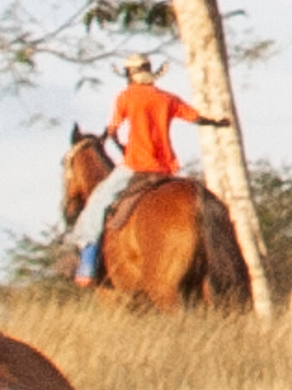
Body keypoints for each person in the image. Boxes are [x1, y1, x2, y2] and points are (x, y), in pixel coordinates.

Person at [66, 57, 211, 281]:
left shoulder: (126, 97)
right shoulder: (167, 98)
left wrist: (115, 142)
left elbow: (113, 128)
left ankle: (87, 265)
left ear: (129, 74)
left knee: (98, 201)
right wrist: (218, 121)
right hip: (165, 167)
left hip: (136, 165)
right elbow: (195, 117)